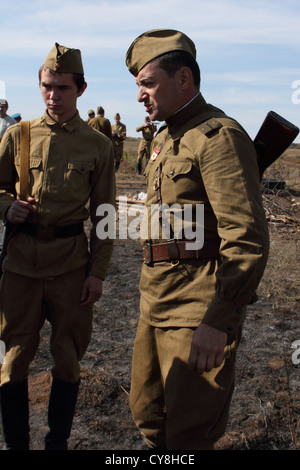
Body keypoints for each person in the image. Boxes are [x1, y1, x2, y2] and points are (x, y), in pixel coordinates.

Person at [125, 29, 269, 450]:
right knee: (149, 416)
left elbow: (246, 239)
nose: (140, 95)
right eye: (138, 85)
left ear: (184, 78)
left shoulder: (217, 136)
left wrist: (218, 320)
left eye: (148, 83)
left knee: (189, 433)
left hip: (197, 308)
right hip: (156, 297)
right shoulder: (167, 137)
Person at [0, 42, 115, 450]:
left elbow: (104, 214)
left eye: (63, 88)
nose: (54, 95)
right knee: (12, 361)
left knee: (67, 359)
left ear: (80, 89)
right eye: (47, 86)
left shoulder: (98, 146)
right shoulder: (18, 135)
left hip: (69, 266)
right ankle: (16, 444)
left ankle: (57, 443)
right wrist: (5, 205)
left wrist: (97, 273)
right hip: (20, 265)